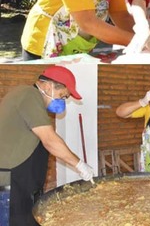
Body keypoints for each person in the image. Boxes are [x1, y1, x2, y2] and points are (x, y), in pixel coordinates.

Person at [0, 66, 94, 225]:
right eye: (62, 96)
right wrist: (79, 164)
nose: (62, 101)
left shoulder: (30, 99)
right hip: (10, 183)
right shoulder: (29, 95)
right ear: (49, 86)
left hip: (21, 183)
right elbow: (50, 140)